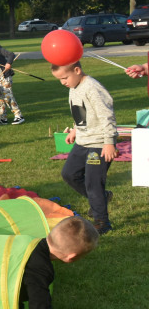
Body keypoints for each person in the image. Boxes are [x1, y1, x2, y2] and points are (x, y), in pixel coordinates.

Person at [18, 215, 99, 309]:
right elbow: (40, 308)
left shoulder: (32, 242)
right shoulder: (40, 270)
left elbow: (16, 284)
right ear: (71, 257)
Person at [51, 61, 117, 234]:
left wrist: (109, 142)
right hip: (82, 141)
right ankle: (102, 198)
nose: (63, 82)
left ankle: (102, 223)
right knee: (69, 174)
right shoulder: (74, 87)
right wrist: (74, 130)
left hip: (99, 144)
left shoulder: (92, 88)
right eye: (59, 79)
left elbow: (106, 116)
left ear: (77, 70)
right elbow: (82, 113)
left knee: (93, 183)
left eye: (64, 78)